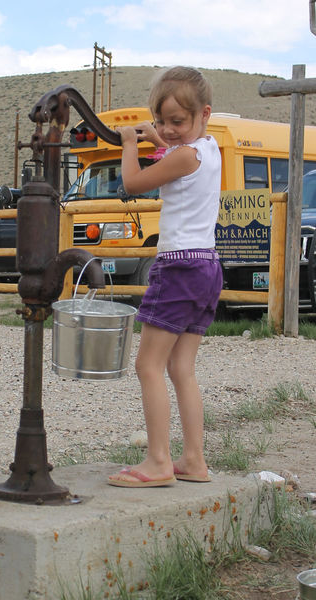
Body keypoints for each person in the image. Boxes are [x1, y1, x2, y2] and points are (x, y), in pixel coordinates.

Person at [109, 66, 223, 488]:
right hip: (207, 266)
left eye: (178, 121)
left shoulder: (182, 155)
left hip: (179, 267)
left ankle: (158, 461)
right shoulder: (208, 150)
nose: (169, 130)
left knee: (148, 365)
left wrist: (128, 144)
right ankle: (194, 459)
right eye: (162, 121)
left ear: (204, 113)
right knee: (182, 368)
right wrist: (157, 137)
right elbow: (177, 153)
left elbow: (134, 182)